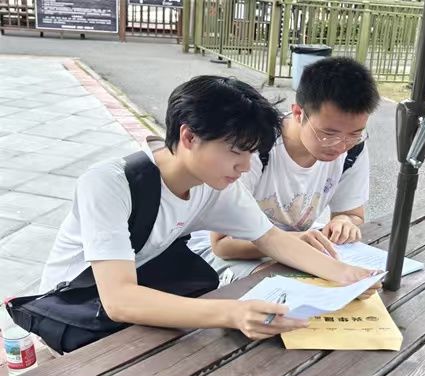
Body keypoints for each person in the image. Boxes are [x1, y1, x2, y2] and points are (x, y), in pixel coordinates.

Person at [36, 75, 380, 346]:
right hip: (74, 307)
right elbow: (119, 300)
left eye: (251, 153)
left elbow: (272, 239)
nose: (245, 166)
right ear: (189, 137)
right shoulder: (108, 184)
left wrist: (346, 275)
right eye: (236, 151)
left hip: (140, 290)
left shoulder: (214, 184)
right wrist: (233, 313)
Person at [188, 57, 380, 286]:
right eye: (328, 134)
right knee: (294, 288)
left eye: (355, 134)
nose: (341, 145)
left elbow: (353, 213)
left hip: (293, 248)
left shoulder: (352, 149)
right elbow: (222, 244)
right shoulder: (256, 146)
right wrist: (296, 241)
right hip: (227, 253)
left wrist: (345, 221)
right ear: (298, 113)